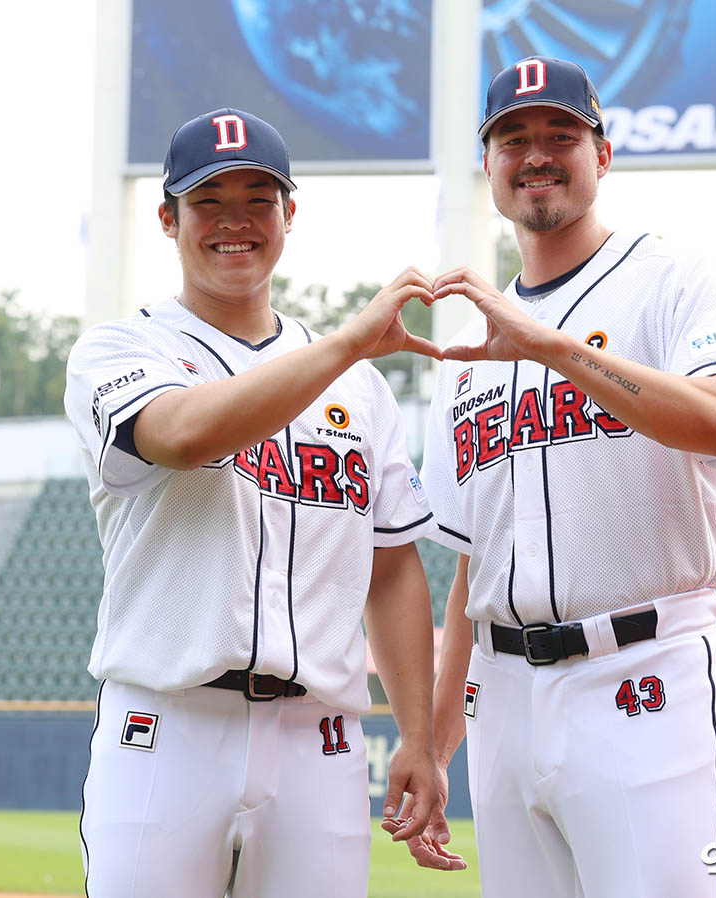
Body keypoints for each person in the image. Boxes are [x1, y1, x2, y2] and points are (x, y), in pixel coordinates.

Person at [396, 57, 716, 896]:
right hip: (501, 693)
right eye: (513, 139)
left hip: (642, 675)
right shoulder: (466, 353)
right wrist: (431, 741)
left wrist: (552, 348)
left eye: (560, 135)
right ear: (493, 169)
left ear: (602, 156)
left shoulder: (673, 278)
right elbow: (475, 562)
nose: (536, 154)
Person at [64, 107, 445, 898]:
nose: (234, 222)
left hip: (321, 741)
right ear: (168, 218)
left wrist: (420, 735)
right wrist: (341, 345)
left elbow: (393, 570)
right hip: (167, 729)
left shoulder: (363, 390)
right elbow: (183, 434)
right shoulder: (120, 348)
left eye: (257, 199)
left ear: (289, 215)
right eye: (209, 200)